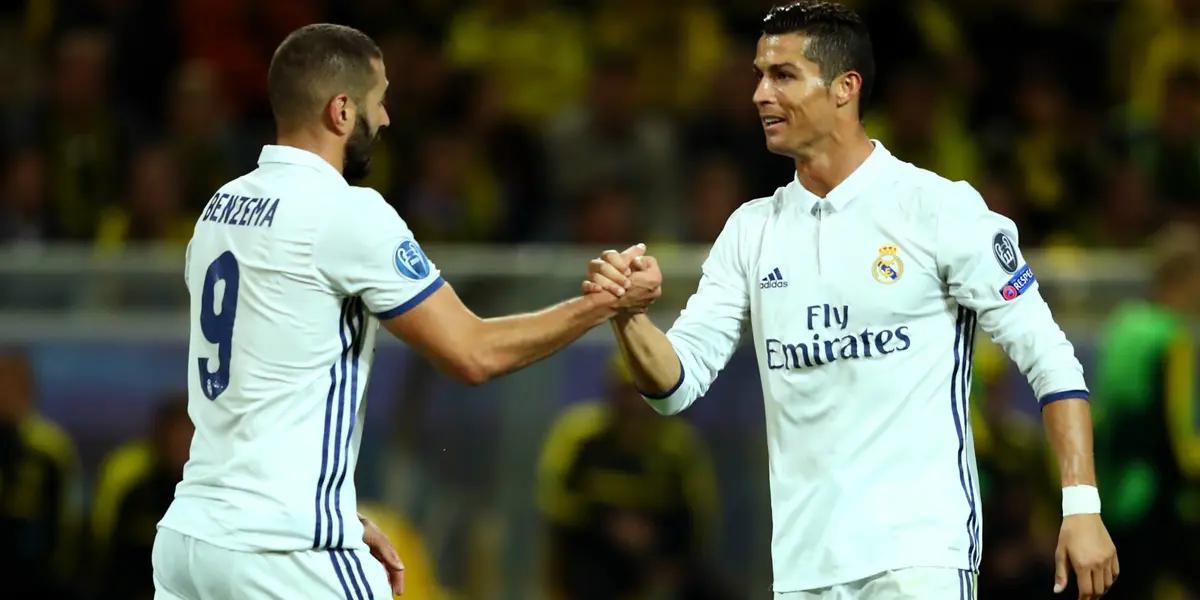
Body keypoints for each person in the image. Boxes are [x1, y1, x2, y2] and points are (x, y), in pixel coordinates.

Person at [583, 2, 1119, 598]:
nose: (760, 94)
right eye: (759, 75)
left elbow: (1049, 357)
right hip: (803, 570)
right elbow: (674, 386)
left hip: (918, 558)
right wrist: (627, 316)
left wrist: (1082, 507)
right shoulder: (750, 231)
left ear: (845, 88)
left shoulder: (937, 209)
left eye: (783, 75)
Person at [153, 24, 628, 599]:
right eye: (378, 101)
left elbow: (261, 378)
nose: (385, 119)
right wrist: (602, 303)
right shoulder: (345, 212)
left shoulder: (220, 209)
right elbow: (473, 353)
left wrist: (341, 516)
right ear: (341, 110)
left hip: (191, 541)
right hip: (285, 553)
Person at [537, 354, 723, 600]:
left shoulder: (679, 445)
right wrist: (608, 523)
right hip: (590, 547)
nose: (637, 405)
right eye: (628, 392)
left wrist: (668, 553)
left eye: (647, 393)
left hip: (655, 552)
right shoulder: (577, 434)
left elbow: (698, 513)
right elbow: (555, 499)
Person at [1092, 224, 1200, 596]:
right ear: (1185, 277)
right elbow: (1176, 431)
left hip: (1110, 490)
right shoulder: (1172, 337)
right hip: (1153, 495)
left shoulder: (1123, 323)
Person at [92, 395, 193, 600]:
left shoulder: (215, 498)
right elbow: (110, 559)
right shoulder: (135, 491)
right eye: (174, 432)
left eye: (187, 434)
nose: (179, 442)